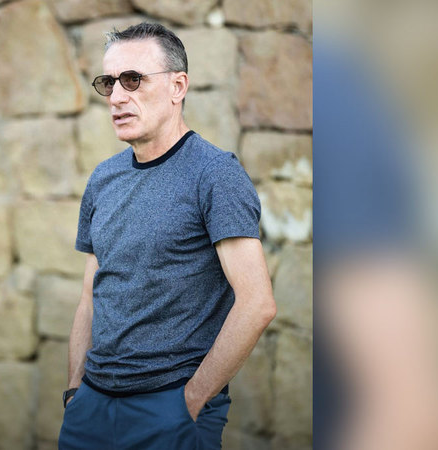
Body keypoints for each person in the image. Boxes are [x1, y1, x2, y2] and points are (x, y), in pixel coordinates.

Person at [58, 22, 277, 450]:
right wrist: (74, 391)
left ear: (178, 86)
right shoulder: (103, 178)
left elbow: (257, 303)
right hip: (90, 409)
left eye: (133, 79)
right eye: (109, 82)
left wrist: (190, 403)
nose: (117, 96)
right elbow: (90, 296)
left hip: (170, 408)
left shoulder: (215, 175)